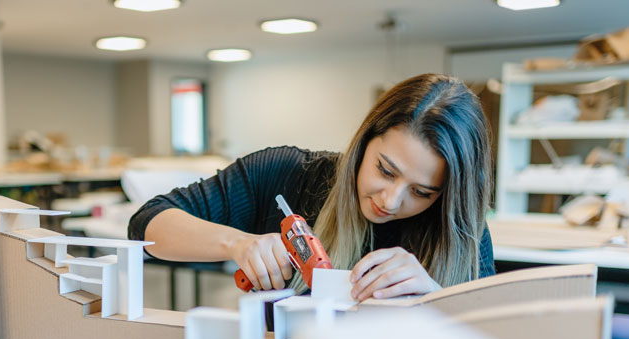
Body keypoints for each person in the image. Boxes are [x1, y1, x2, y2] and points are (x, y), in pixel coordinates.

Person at [128, 73, 494, 301]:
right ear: (365, 141)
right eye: (385, 170)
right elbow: (146, 224)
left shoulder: (460, 230)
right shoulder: (285, 174)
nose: (391, 200)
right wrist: (237, 244)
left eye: (422, 192)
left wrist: (436, 300)